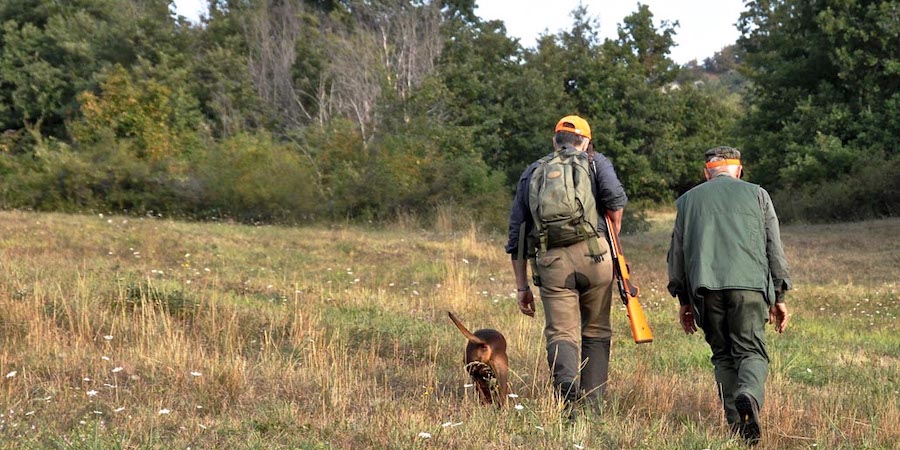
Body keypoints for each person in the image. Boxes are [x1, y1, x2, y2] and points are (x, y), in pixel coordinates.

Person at [667, 146, 791, 445]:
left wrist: (683, 299)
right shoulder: (758, 194)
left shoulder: (687, 201)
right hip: (749, 287)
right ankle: (748, 394)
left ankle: (738, 428)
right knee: (750, 352)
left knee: (723, 356)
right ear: (739, 170)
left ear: (706, 171)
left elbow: (678, 255)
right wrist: (780, 294)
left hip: (705, 289)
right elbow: (773, 246)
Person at [506, 115, 628, 417]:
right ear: (585, 141)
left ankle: (566, 388)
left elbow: (517, 234)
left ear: (554, 141)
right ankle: (594, 406)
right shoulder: (597, 162)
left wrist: (522, 286)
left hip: (552, 260)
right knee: (597, 330)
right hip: (596, 256)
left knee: (561, 333)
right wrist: (611, 248)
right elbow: (615, 205)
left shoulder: (534, 170)